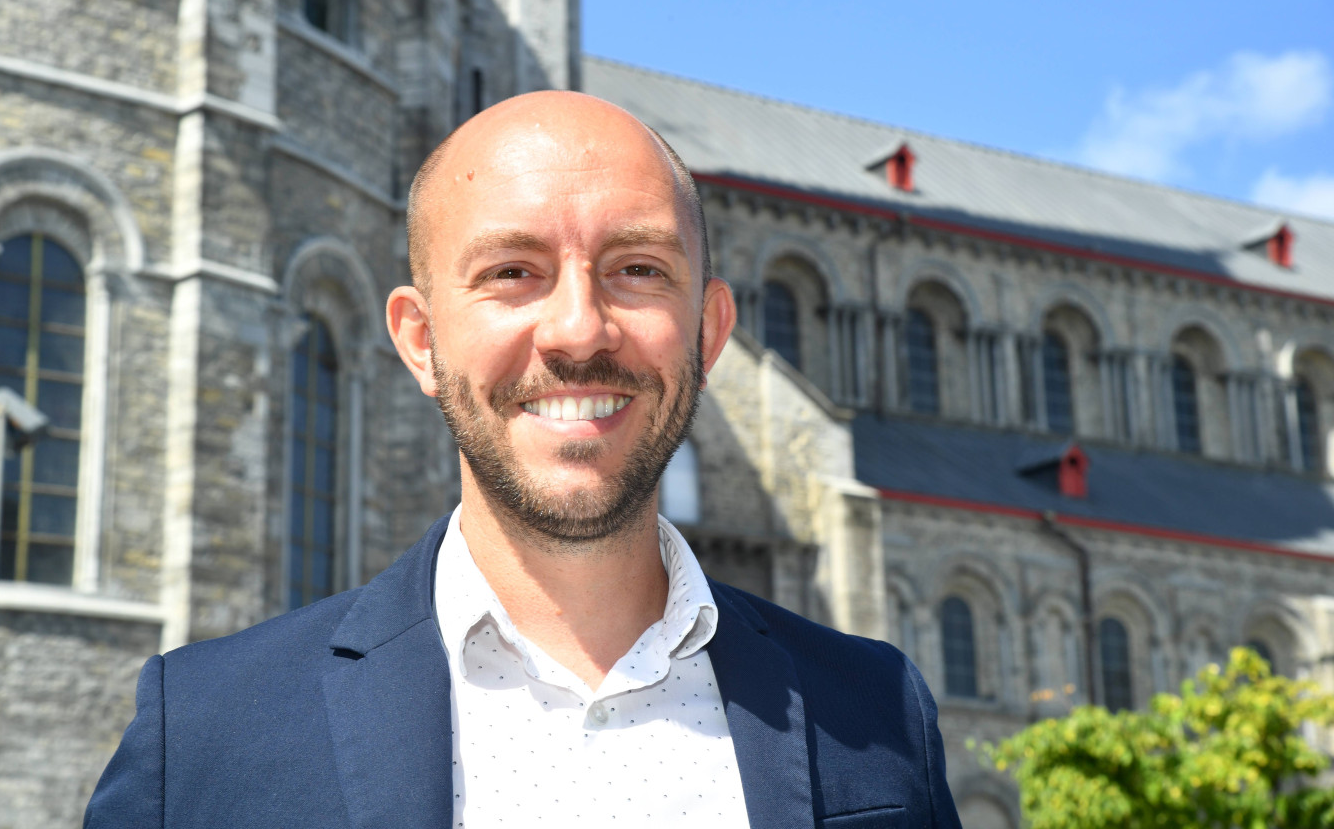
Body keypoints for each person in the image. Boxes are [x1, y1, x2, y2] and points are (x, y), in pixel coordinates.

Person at [86, 91, 962, 828]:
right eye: (512, 271)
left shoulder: (878, 712)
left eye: (638, 269)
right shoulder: (203, 734)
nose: (579, 329)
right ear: (421, 342)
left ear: (711, 329)